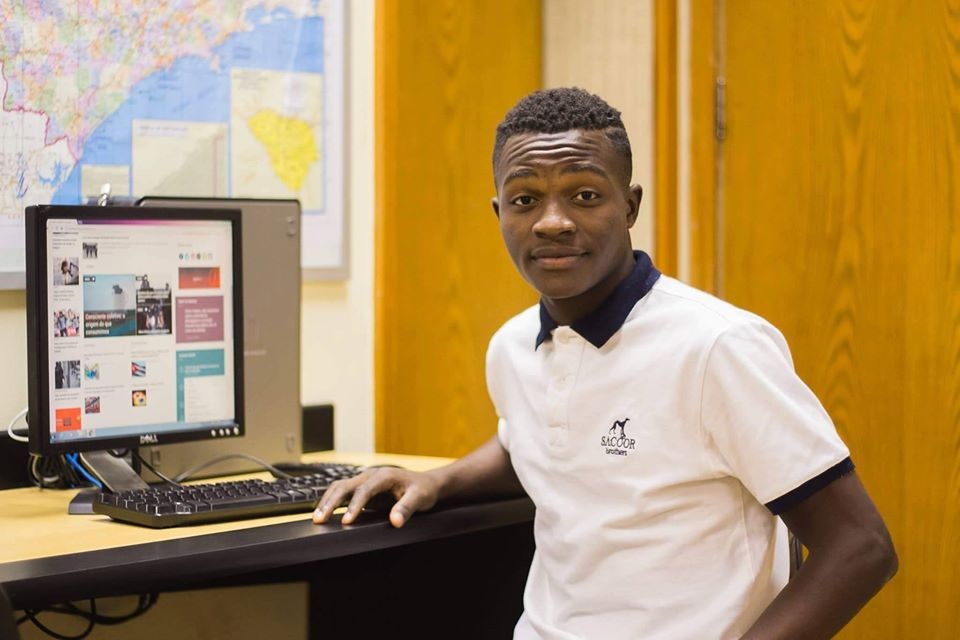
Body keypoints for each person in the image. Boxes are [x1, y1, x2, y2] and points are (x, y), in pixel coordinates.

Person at [313, 87, 897, 639]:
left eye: (585, 195)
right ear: (499, 213)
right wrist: (436, 481)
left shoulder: (717, 347)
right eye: (525, 200)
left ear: (630, 205)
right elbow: (533, 446)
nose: (553, 221)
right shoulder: (511, 346)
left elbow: (860, 546)